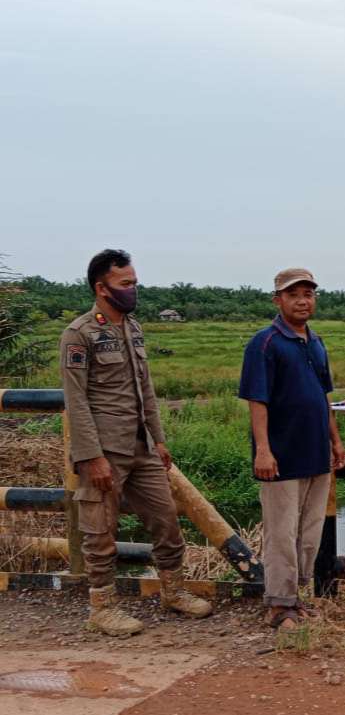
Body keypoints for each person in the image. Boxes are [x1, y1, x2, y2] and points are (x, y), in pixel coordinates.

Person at [59, 249, 213, 635]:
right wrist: (92, 457)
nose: (133, 290)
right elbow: (76, 401)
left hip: (141, 446)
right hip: (104, 449)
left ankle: (173, 591)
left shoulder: (133, 328)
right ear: (101, 287)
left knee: (166, 520)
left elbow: (146, 391)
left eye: (134, 283)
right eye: (125, 284)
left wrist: (159, 440)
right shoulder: (80, 334)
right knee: (100, 531)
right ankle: (102, 608)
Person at [239, 268, 345, 630]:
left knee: (310, 529)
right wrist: (263, 450)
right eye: (294, 294)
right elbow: (257, 400)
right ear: (278, 300)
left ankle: (296, 597)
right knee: (281, 531)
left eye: (309, 294)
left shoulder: (315, 342)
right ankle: (279, 605)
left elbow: (323, 397)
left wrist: (335, 440)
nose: (303, 301)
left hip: (315, 452)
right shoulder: (265, 343)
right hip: (282, 454)